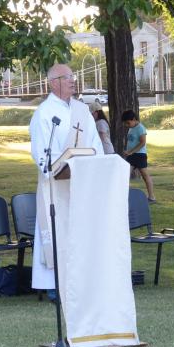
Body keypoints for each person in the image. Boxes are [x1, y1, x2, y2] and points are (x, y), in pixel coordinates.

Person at [29, 64, 103, 293]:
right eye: (67, 77)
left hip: (82, 183)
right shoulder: (44, 113)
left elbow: (95, 144)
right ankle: (54, 285)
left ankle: (82, 282)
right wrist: (52, 168)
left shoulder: (82, 110)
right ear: (53, 82)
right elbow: (41, 150)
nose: (73, 80)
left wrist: (96, 164)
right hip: (55, 185)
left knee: (81, 232)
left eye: (73, 76)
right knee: (56, 231)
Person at [122, 110, 155, 202]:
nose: (127, 125)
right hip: (131, 156)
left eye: (128, 123)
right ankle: (124, 196)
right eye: (125, 123)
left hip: (140, 155)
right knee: (125, 175)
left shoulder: (141, 128)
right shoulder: (131, 128)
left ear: (134, 119)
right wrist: (129, 152)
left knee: (145, 176)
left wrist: (131, 151)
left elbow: (142, 143)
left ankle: (152, 197)